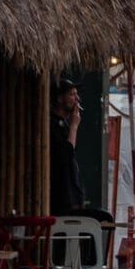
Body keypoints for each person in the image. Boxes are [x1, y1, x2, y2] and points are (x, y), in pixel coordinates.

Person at [49, 78, 85, 216]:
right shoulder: (52, 124)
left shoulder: (64, 124)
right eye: (72, 94)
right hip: (60, 200)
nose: (77, 99)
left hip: (72, 198)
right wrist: (74, 126)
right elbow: (65, 155)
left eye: (77, 94)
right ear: (60, 99)